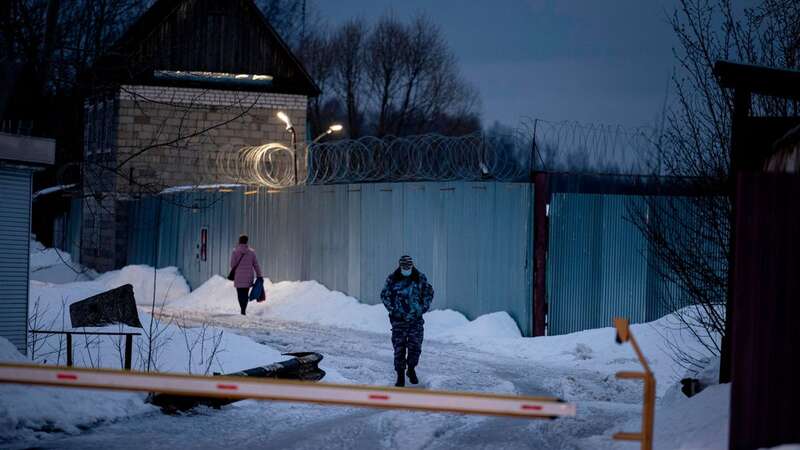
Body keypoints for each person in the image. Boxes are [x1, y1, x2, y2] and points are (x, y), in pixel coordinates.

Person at [380, 255, 434, 387]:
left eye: (408, 267)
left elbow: (429, 293)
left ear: (412, 266)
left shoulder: (419, 278)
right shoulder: (393, 279)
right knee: (399, 349)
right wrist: (393, 310)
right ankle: (400, 375)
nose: (406, 269)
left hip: (415, 320)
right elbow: (384, 295)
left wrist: (422, 308)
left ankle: (411, 369)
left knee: (415, 348)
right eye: (404, 267)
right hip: (399, 321)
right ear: (400, 266)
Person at [230, 235, 262, 315]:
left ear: (239, 241)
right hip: (248, 278)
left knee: (240, 294)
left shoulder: (235, 252)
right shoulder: (251, 252)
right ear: (246, 241)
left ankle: (242, 309)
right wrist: (259, 275)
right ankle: (244, 309)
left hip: (238, 278)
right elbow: (256, 265)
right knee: (245, 294)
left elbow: (232, 265)